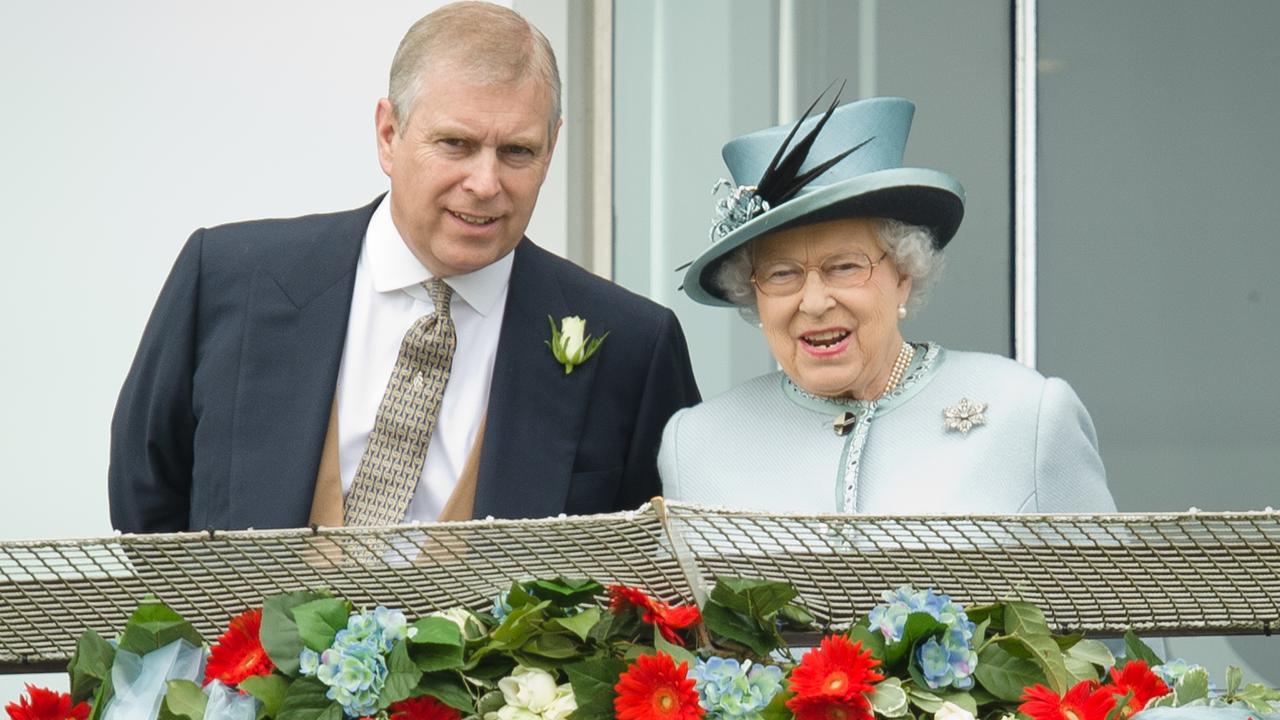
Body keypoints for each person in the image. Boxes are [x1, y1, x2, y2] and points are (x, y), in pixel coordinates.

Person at [109, 1, 699, 533]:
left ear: (552, 147)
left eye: (518, 151)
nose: (486, 184)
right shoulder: (226, 279)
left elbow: (653, 570)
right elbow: (146, 499)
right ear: (389, 134)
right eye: (456, 144)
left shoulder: (634, 347)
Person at [658, 93, 1114, 514]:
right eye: (782, 274)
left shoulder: (1027, 415)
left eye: (845, 267)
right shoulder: (696, 444)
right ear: (752, 293)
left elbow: (1104, 600)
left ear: (903, 274)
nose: (814, 302)